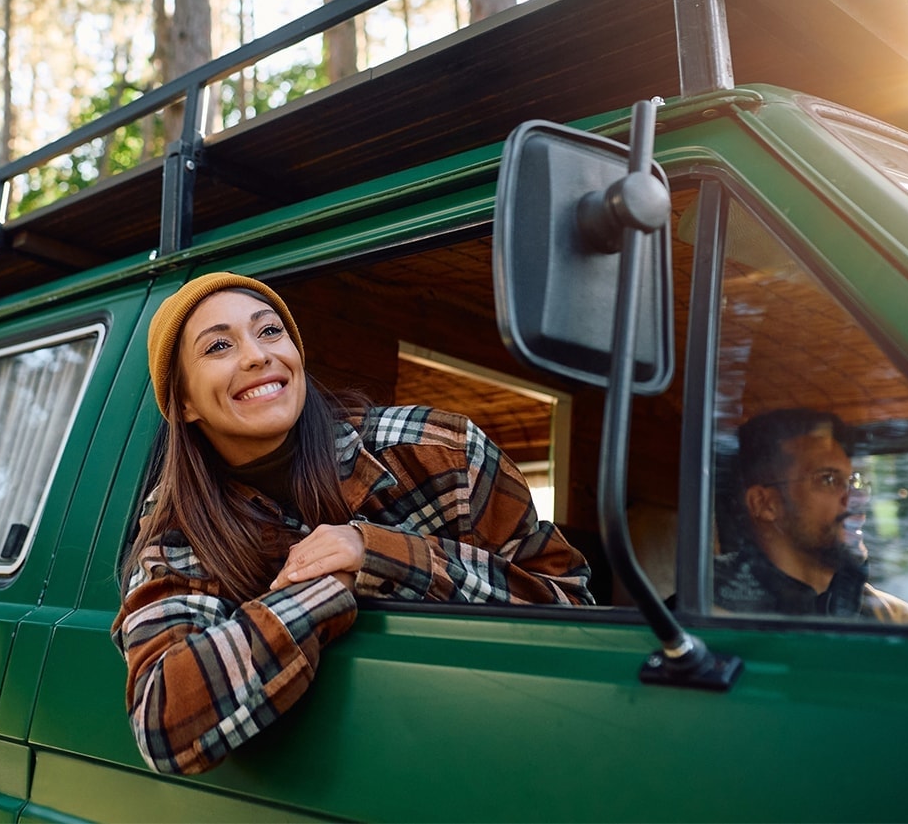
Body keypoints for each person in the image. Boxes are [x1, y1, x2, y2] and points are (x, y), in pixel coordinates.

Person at [110, 272, 593, 775]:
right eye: (218, 346)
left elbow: (573, 609)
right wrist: (324, 588)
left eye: (270, 331)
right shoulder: (177, 534)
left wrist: (380, 553)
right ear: (183, 403)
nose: (256, 355)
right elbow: (163, 725)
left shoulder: (439, 453)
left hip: (506, 754)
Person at [714, 407, 908, 624]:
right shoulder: (704, 625)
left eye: (853, 482)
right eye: (828, 479)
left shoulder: (902, 623)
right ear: (765, 504)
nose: (855, 498)